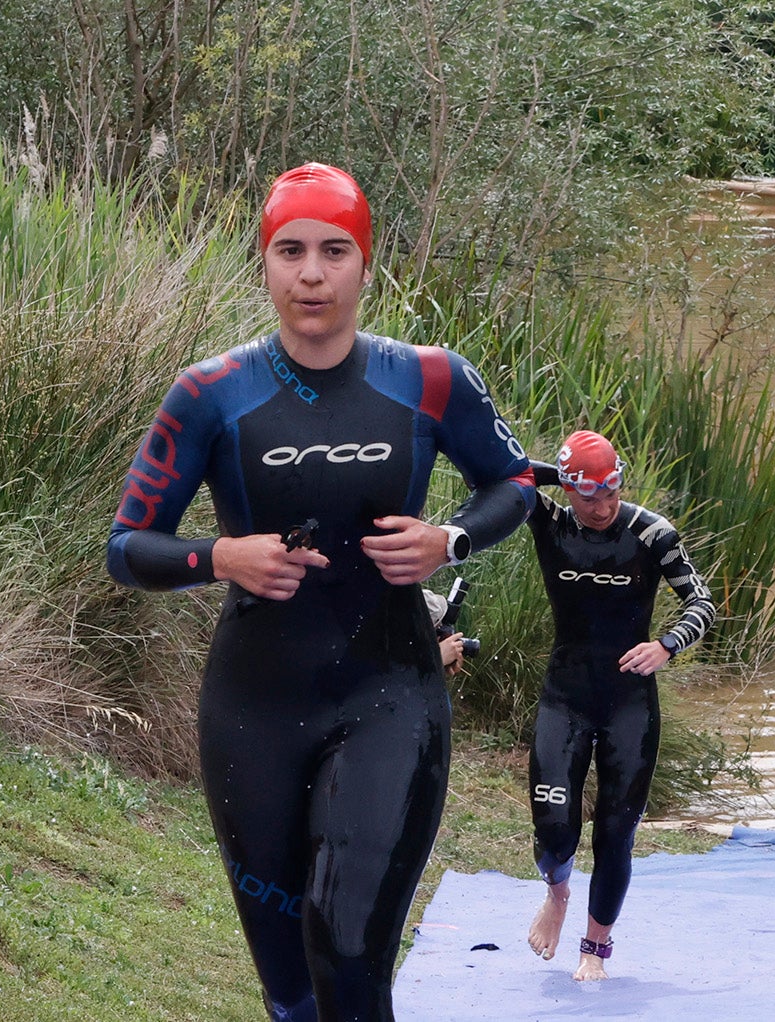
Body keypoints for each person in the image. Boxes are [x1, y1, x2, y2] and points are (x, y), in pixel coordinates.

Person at [105, 162, 534, 1022]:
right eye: (290, 250)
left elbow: (515, 484)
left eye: (335, 251)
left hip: (391, 691)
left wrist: (445, 539)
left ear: (365, 266)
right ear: (263, 264)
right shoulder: (209, 392)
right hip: (254, 708)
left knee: (348, 949)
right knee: (292, 986)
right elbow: (128, 548)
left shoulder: (431, 377)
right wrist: (222, 558)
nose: (311, 273)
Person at [523, 431, 715, 979]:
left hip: (629, 703)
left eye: (612, 492)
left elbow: (701, 600)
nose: (603, 507)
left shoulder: (651, 533)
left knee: (616, 828)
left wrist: (666, 645)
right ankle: (557, 895)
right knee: (556, 831)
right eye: (589, 496)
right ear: (567, 489)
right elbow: (501, 469)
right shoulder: (548, 520)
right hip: (565, 697)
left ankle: (594, 947)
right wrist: (556, 474)